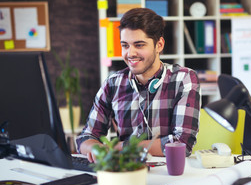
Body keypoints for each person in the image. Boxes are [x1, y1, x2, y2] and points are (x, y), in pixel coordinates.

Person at [76, 8, 201, 162]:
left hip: (168, 174)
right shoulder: (113, 83)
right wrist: (95, 148)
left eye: (139, 45)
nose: (130, 53)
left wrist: (117, 147)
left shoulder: (184, 78)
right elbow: (85, 137)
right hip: (126, 171)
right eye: (125, 45)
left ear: (159, 45)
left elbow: (182, 143)